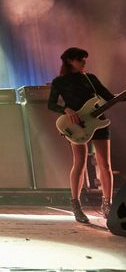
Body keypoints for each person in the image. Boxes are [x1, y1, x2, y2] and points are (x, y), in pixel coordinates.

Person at [47, 47, 115, 223]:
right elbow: (51, 105)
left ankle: (108, 204)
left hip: (98, 122)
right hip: (76, 125)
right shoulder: (59, 82)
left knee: (105, 164)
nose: (84, 62)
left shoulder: (90, 78)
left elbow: (108, 96)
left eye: (85, 59)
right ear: (70, 60)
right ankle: (76, 204)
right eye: (81, 59)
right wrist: (66, 109)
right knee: (79, 163)